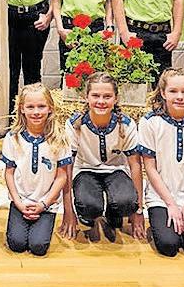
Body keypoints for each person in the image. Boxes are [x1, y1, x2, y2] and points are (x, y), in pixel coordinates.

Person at [137, 68, 184, 258]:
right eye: (173, 91)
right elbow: (150, 168)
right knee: (168, 245)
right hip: (161, 197)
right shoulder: (150, 122)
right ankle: (162, 223)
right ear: (163, 93)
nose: (179, 97)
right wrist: (171, 204)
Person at [60, 72, 144, 243]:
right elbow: (67, 166)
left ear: (116, 98)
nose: (101, 101)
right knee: (90, 206)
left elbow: (135, 165)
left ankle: (114, 213)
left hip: (116, 171)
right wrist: (68, 211)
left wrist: (138, 210)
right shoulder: (75, 124)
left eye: (107, 96)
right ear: (86, 97)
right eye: (95, 95)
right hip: (85, 171)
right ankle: (89, 214)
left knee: (127, 202)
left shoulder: (126, 124)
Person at [1, 83, 71, 256]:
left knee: (38, 247)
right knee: (16, 244)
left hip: (46, 203)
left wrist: (44, 203)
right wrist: (18, 202)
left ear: (50, 108)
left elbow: (62, 176)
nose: (36, 112)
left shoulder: (59, 138)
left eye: (41, 106)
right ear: (22, 109)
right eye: (30, 107)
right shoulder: (13, 138)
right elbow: (9, 173)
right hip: (21, 201)